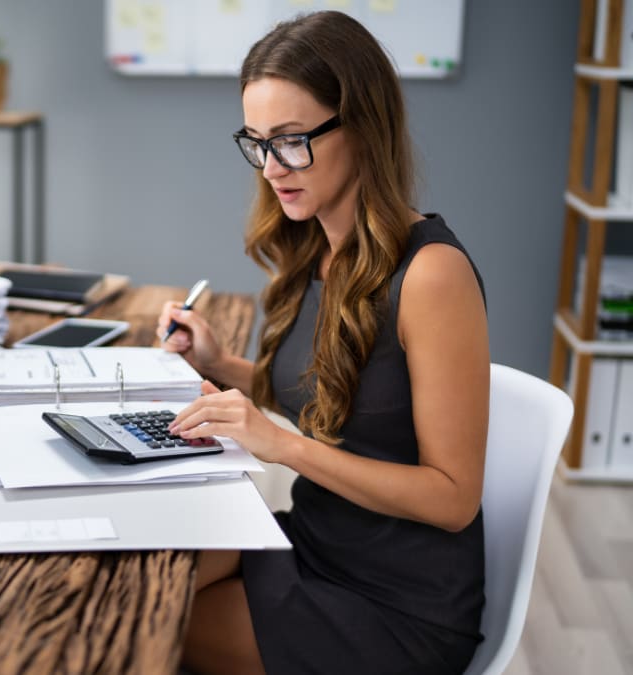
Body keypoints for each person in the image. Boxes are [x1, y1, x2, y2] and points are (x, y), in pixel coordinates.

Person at [158, 11, 489, 675]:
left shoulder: (431, 274)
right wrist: (219, 364)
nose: (274, 168)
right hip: (315, 542)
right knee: (139, 577)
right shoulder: (321, 248)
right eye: (257, 143)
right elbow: (342, 399)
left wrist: (284, 444)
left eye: (292, 140)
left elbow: (453, 498)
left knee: (150, 624)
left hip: (396, 605)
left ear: (363, 125)